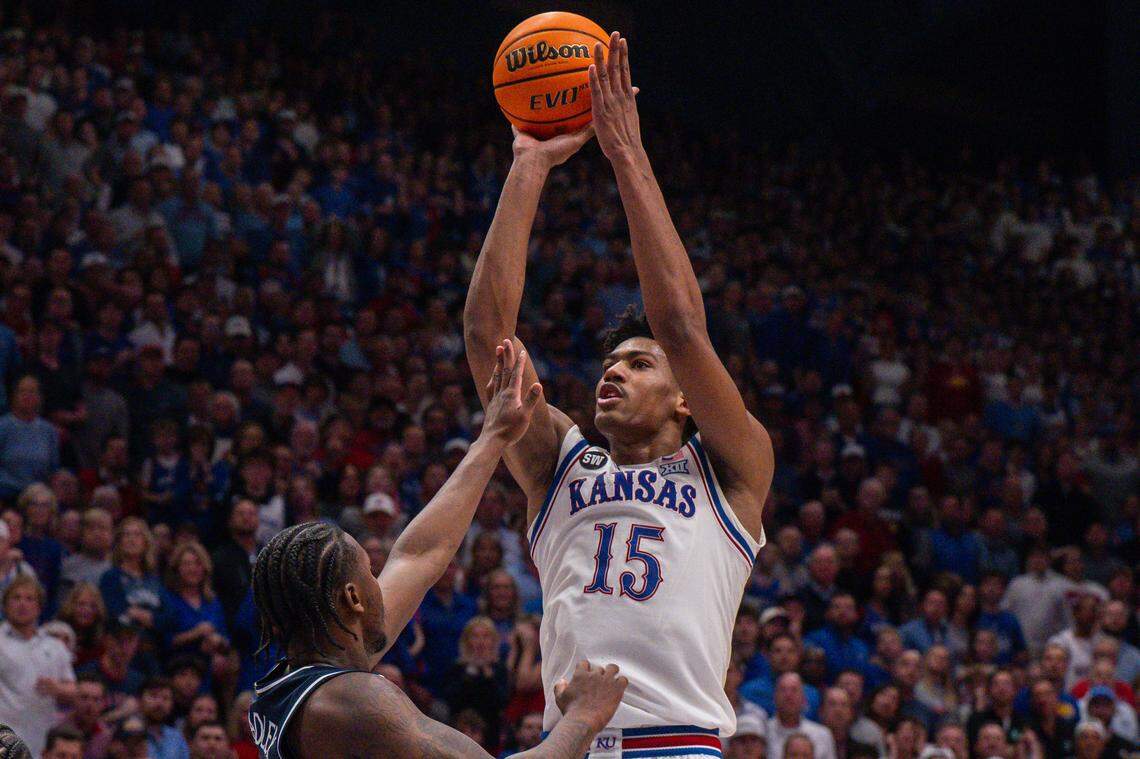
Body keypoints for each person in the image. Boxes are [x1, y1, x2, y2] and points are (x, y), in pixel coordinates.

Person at [463, 32, 772, 745]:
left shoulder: (731, 470)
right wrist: (529, 164)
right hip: (566, 743)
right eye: (611, 362)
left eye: (639, 364)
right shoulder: (560, 463)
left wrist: (624, 152)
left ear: (685, 398)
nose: (614, 371)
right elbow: (487, 339)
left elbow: (683, 329)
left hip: (677, 741)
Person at [247, 343, 627, 757]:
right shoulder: (352, 702)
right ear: (352, 598)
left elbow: (419, 555)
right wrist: (583, 718)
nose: (382, 583)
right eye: (371, 574)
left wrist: (493, 437)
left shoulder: (291, 685)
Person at [0, 576, 76, 757]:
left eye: (29, 599)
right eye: (16, 598)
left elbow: (73, 690)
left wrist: (57, 688)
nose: (22, 604)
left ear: (39, 607)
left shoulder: (55, 646)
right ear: (5, 605)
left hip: (42, 736)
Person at [767, 674, 836, 759]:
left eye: (794, 690)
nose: (788, 695)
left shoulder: (823, 735)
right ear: (774, 698)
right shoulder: (764, 731)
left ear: (804, 700)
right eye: (783, 690)